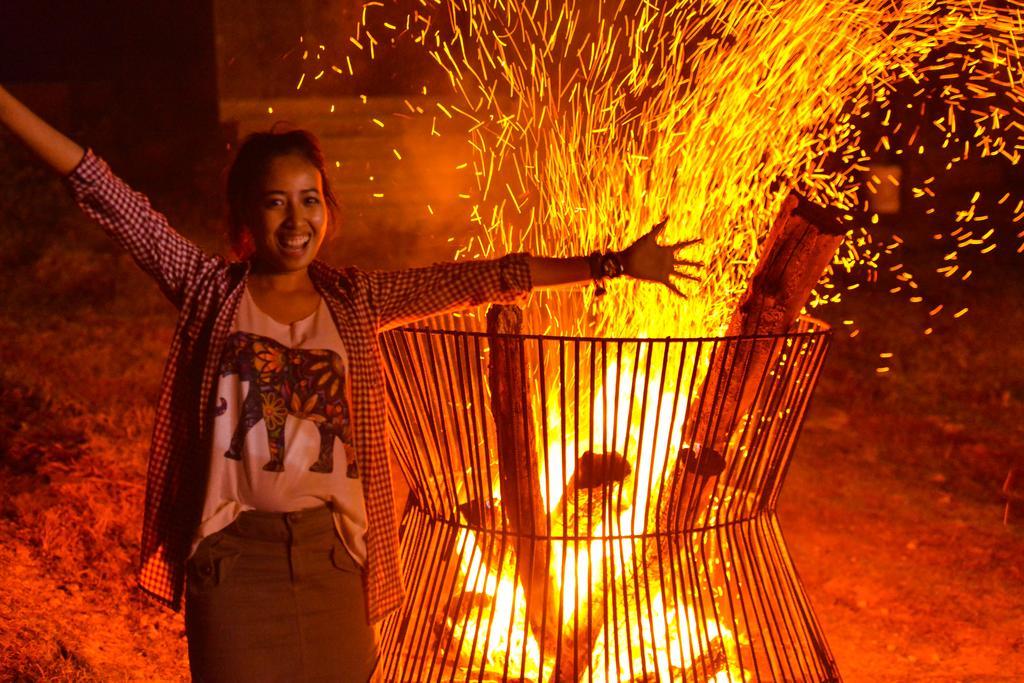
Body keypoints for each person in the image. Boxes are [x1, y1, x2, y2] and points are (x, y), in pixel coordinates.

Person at [0, 84, 701, 682]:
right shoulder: (211, 291)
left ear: (327, 207)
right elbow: (105, 193)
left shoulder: (356, 301)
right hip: (232, 569)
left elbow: (487, 276)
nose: (296, 219)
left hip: (333, 563)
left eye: (310, 199)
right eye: (276, 202)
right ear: (246, 213)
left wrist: (611, 262)